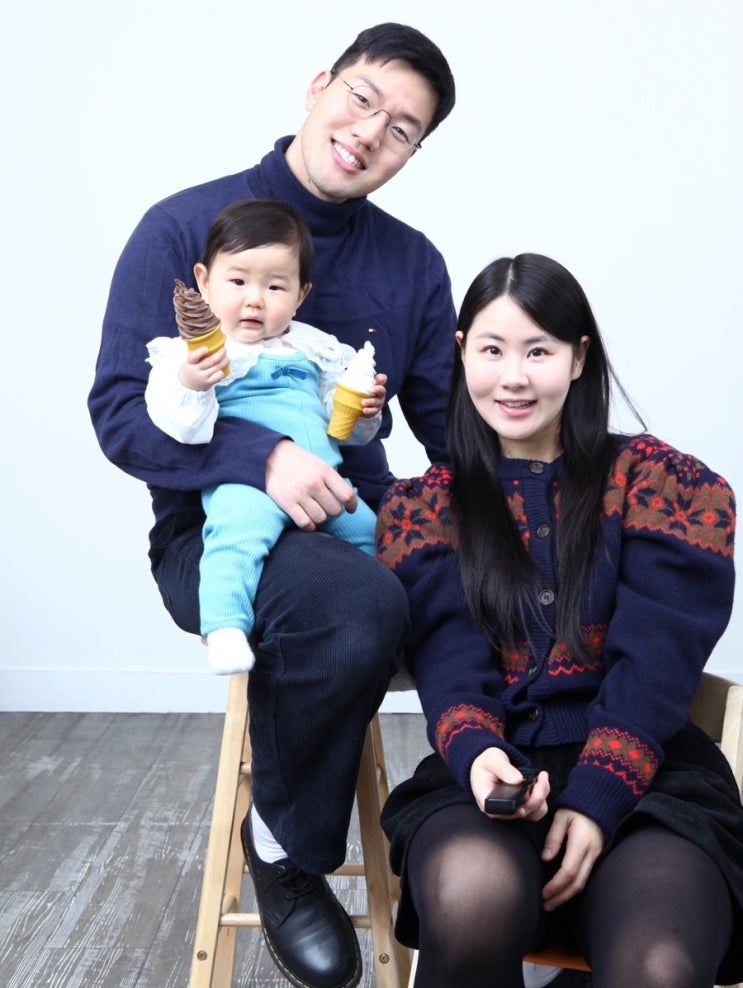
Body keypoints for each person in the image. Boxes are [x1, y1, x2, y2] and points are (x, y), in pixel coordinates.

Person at [88, 22, 456, 988]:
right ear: (319, 84)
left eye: (402, 129)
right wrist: (264, 457)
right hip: (215, 530)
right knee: (360, 603)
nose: (370, 131)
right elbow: (121, 414)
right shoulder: (183, 227)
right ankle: (286, 848)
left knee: (516, 586)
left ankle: (499, 861)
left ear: (412, 153)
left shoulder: (411, 264)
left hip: (355, 512)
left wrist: (563, 493)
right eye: (363, 99)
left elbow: (451, 432)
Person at [376, 253, 742, 988]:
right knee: (470, 898)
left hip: (651, 786)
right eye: (492, 350)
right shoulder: (426, 508)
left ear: (578, 358)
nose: (513, 377)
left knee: (658, 965)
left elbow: (655, 666)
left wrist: (599, 793)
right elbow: (451, 665)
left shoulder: (662, 485)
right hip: (491, 778)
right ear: (460, 354)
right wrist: (478, 755)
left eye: (537, 352)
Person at [144, 199, 386, 675]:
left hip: (324, 483)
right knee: (237, 535)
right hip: (248, 481)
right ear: (204, 281)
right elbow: (181, 426)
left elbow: (345, 429)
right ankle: (225, 627)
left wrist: (362, 410)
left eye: (275, 286)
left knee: (369, 533)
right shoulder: (192, 355)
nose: (255, 299)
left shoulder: (313, 347)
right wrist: (193, 383)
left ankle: (386, 637)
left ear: (301, 294)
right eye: (238, 282)